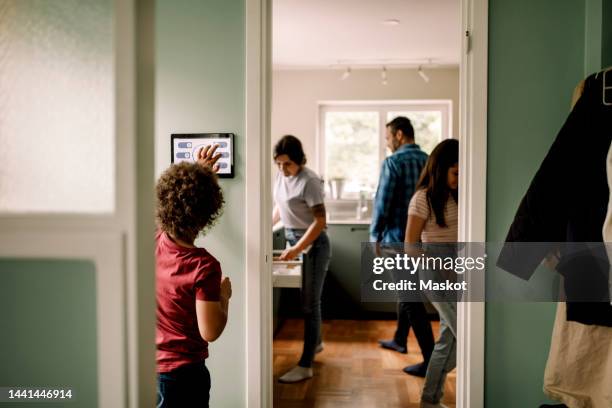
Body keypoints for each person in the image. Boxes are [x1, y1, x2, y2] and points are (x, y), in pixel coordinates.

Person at [156, 145, 232, 407]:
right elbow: (210, 331)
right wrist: (224, 298)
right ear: (208, 215)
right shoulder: (203, 266)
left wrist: (198, 171)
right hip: (183, 376)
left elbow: (179, 198)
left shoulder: (151, 239)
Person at [372, 116, 435, 377]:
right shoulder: (430, 161)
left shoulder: (393, 162)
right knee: (408, 291)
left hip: (396, 240)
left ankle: (430, 360)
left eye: (387, 138)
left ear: (399, 135)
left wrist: (375, 234)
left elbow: (382, 203)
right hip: (423, 241)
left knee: (410, 298)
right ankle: (399, 339)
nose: (387, 144)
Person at [405, 139, 459, 408]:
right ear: (440, 169)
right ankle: (430, 398)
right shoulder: (422, 198)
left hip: (460, 268)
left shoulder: (463, 195)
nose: (459, 179)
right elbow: (410, 246)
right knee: (468, 331)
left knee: (450, 337)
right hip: (433, 270)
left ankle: (430, 399)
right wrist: (441, 265)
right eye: (455, 173)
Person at [273, 135, 331, 383]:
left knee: (310, 305)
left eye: (287, 164)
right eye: (278, 164)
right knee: (306, 301)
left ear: (298, 160)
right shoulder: (282, 176)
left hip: (313, 245)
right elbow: (281, 208)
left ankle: (306, 364)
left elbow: (320, 221)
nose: (283, 169)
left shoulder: (310, 181)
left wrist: (296, 248)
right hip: (294, 239)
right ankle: (315, 343)